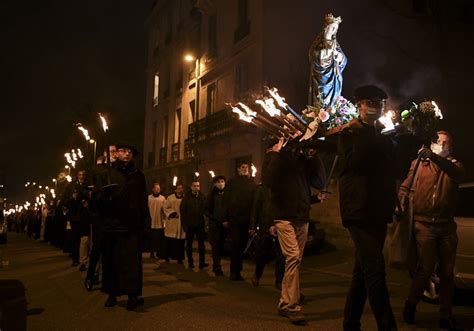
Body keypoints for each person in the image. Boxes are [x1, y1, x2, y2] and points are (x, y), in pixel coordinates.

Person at [338, 85, 397, 330]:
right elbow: (355, 164)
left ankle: (350, 322)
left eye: (379, 103)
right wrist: (366, 135)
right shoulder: (349, 134)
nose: (375, 106)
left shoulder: (383, 135)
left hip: (378, 209)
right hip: (358, 209)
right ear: (360, 105)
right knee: (374, 268)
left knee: (362, 271)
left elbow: (390, 170)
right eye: (370, 102)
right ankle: (388, 326)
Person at [400, 131, 465, 329]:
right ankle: (411, 304)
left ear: (450, 147)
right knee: (425, 269)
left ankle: (445, 314)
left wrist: (434, 156)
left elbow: (457, 174)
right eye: (438, 141)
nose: (441, 144)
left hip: (445, 225)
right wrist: (400, 202)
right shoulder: (420, 164)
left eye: (446, 142)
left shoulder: (455, 165)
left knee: (447, 273)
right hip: (424, 224)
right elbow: (407, 185)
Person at [263, 138, 326, 325]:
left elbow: (319, 181)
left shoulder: (303, 160)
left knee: (295, 261)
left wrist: (314, 157)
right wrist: (274, 154)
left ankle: (285, 303)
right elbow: (268, 181)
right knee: (292, 256)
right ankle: (292, 306)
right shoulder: (275, 157)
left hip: (301, 215)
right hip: (283, 216)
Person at [93, 142, 150, 310]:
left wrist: (145, 222)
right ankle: (112, 294)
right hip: (112, 224)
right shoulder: (107, 174)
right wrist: (104, 197)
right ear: (116, 154)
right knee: (112, 261)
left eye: (130, 151)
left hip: (132, 225)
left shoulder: (138, 175)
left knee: (132, 262)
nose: (126, 153)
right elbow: (96, 199)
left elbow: (142, 199)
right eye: (123, 150)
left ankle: (133, 296)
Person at [85, 145, 117, 291]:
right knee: (98, 246)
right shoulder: (96, 170)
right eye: (111, 152)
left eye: (115, 151)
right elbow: (89, 190)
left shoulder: (117, 170)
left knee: (111, 248)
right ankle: (90, 275)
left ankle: (108, 278)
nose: (114, 154)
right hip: (99, 214)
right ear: (105, 154)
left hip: (113, 214)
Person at [223, 161, 256, 281]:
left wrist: (253, 222)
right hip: (235, 219)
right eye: (243, 167)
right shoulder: (232, 183)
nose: (245, 169)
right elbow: (226, 201)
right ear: (238, 169)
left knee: (242, 246)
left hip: (246, 220)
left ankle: (238, 271)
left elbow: (254, 203)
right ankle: (233, 271)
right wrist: (225, 218)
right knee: (236, 245)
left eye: (246, 167)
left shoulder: (252, 183)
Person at [249, 182, 285, 289]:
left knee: (281, 255)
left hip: (280, 224)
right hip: (265, 224)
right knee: (262, 253)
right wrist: (252, 225)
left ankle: (279, 280)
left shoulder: (283, 186)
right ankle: (257, 273)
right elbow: (255, 207)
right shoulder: (261, 189)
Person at [180, 181, 208, 269]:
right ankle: (190, 262)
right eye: (195, 186)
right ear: (191, 187)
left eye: (198, 186)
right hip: (190, 224)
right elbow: (183, 212)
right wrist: (184, 225)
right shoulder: (186, 198)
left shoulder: (202, 197)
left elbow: (206, 210)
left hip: (200, 224)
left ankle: (202, 263)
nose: (197, 187)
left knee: (201, 245)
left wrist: (206, 223)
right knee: (189, 244)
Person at [205, 175, 227, 276]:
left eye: (222, 181)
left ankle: (215, 265)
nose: (221, 183)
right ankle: (217, 266)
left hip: (225, 225)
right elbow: (206, 211)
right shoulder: (211, 196)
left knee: (221, 246)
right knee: (216, 246)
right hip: (215, 225)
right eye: (218, 182)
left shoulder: (228, 194)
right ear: (215, 183)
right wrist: (216, 218)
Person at [163, 184, 186, 264]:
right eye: (178, 188)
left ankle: (179, 258)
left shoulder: (185, 198)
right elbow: (165, 208)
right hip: (172, 222)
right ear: (175, 190)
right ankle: (167, 257)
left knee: (180, 242)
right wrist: (173, 213)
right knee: (170, 241)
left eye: (181, 188)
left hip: (181, 223)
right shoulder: (170, 198)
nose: (180, 190)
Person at [148, 183, 166, 260]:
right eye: (156, 188)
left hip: (160, 221)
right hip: (151, 221)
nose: (158, 189)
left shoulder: (162, 198)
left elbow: (165, 209)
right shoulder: (149, 198)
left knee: (160, 239)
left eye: (159, 188)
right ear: (153, 189)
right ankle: (152, 252)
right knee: (152, 239)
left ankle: (159, 253)